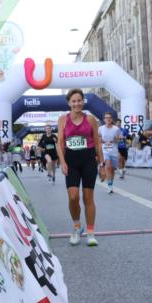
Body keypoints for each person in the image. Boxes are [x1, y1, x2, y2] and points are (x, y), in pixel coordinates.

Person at [56, 89, 103, 247]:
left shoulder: (90, 119)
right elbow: (60, 143)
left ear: (83, 102)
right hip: (71, 161)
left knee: (88, 197)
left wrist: (102, 164)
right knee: (73, 197)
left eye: (79, 100)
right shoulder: (63, 119)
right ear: (69, 103)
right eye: (73, 101)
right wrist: (62, 162)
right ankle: (77, 227)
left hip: (88, 160)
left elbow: (97, 142)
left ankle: (90, 233)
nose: (77, 103)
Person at [98, 112, 121, 194]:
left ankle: (111, 183)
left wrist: (115, 140)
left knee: (112, 169)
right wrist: (102, 141)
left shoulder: (116, 129)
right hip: (105, 150)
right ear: (104, 119)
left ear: (112, 119)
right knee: (108, 165)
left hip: (114, 150)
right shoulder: (101, 128)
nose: (108, 119)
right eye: (106, 117)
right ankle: (109, 186)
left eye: (110, 118)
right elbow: (98, 139)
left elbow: (119, 139)